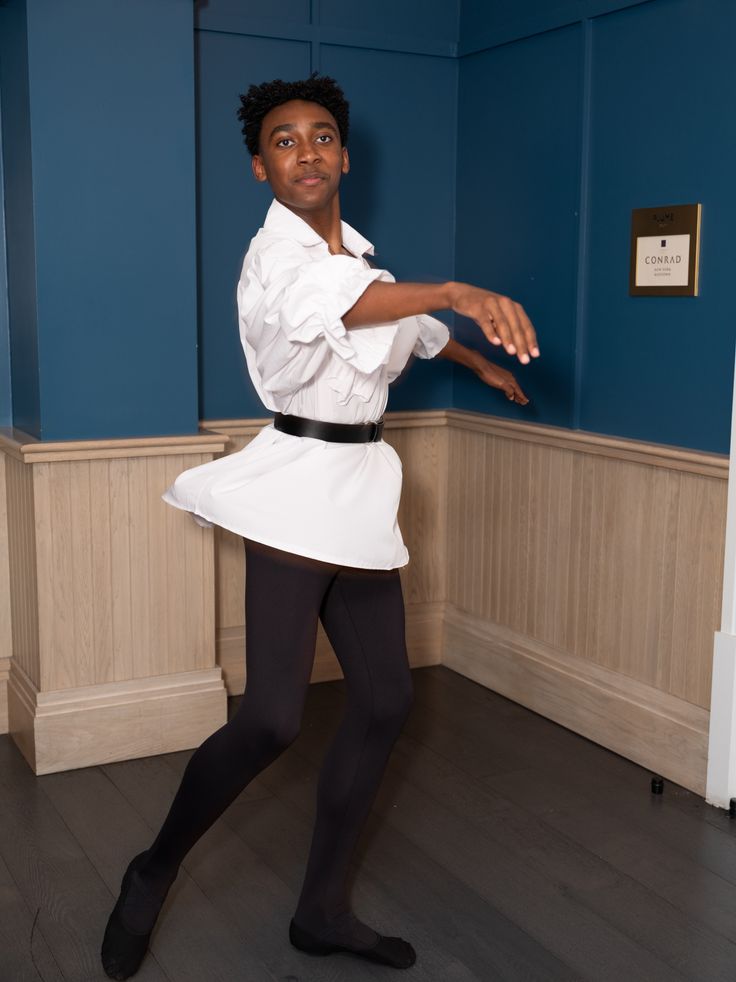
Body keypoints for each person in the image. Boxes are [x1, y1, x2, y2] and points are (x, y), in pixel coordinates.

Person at [100, 74, 539, 980]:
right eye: (287, 140)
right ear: (261, 167)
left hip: (359, 484)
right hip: (299, 481)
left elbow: (398, 318)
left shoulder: (361, 260)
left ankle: (323, 911)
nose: (308, 151)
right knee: (270, 716)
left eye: (324, 136)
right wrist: (458, 289)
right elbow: (350, 306)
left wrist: (473, 361)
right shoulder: (281, 261)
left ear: (344, 155)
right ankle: (152, 869)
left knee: (384, 701)